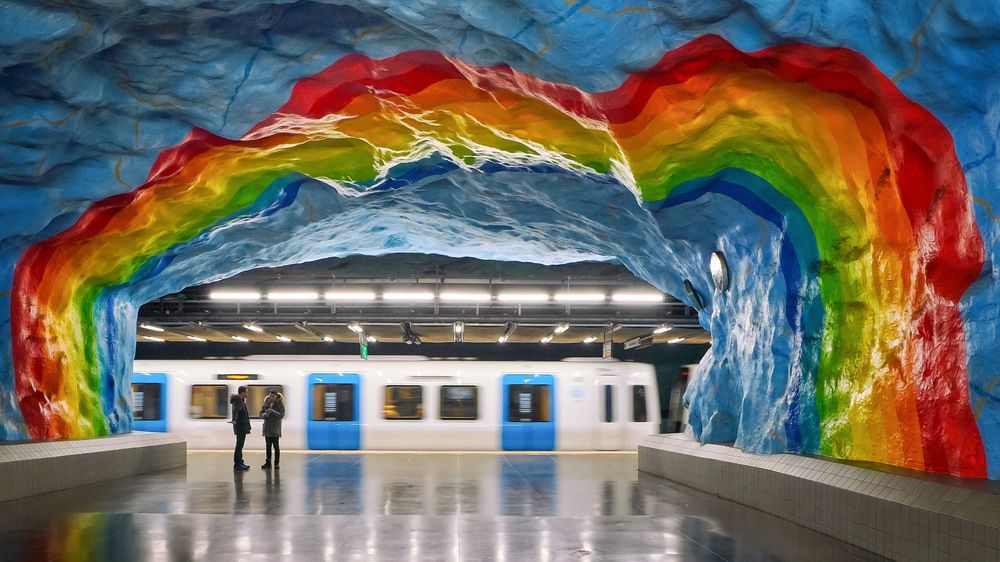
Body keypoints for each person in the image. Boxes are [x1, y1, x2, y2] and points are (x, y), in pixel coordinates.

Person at [260, 388, 285, 470]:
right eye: (270, 396)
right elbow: (260, 413)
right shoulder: (266, 403)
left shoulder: (280, 404)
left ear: (276, 397)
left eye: (273, 396)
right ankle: (268, 463)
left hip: (275, 429)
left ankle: (276, 463)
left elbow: (281, 415)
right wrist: (264, 415)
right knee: (268, 447)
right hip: (267, 428)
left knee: (276, 447)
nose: (271, 397)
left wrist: (272, 411)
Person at [230, 386, 251, 470]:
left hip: (241, 426)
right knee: (239, 446)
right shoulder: (238, 401)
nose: (247, 393)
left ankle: (240, 462)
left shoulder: (240, 401)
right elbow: (236, 411)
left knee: (240, 445)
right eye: (246, 392)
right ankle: (237, 464)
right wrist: (234, 419)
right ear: (242, 392)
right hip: (240, 426)